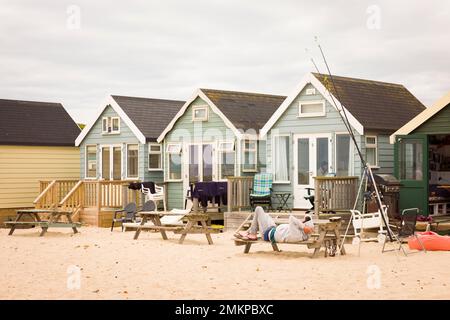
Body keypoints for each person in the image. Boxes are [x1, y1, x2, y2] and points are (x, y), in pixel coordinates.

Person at [235, 206, 314, 243]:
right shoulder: (302, 235)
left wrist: (303, 226)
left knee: (258, 209)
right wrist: (304, 224)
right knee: (266, 215)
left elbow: (291, 218)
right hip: (273, 228)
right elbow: (308, 217)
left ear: (305, 229)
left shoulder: (297, 234)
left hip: (266, 233)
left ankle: (252, 233)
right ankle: (249, 232)